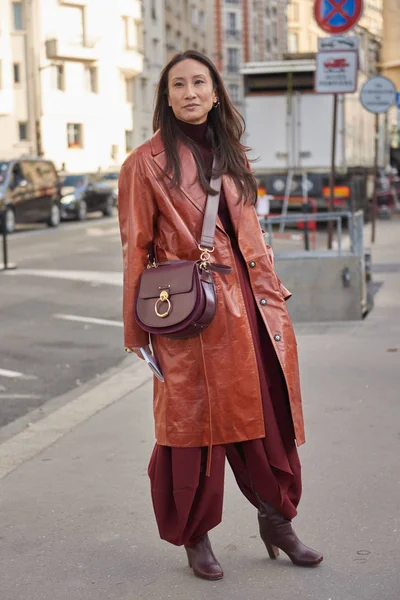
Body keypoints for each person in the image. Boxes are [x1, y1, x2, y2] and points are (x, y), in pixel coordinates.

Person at [118, 50, 323, 581]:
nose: (189, 92)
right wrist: (136, 330)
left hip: (253, 311)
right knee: (191, 430)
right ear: (165, 97)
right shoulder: (144, 162)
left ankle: (277, 521)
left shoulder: (234, 153)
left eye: (199, 83)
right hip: (192, 315)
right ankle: (196, 538)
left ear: (215, 93)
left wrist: (273, 295)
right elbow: (134, 249)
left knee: (265, 422)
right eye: (178, 84)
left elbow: (252, 237)